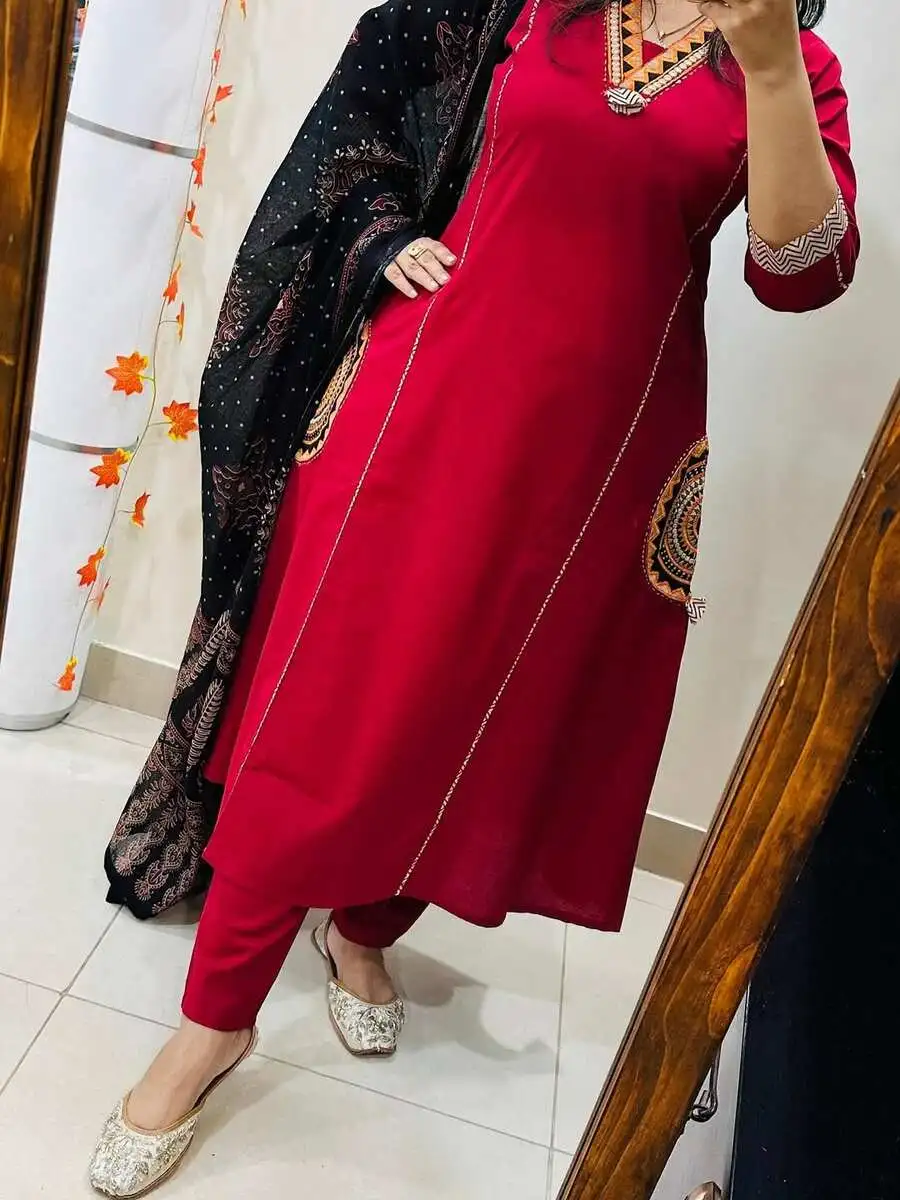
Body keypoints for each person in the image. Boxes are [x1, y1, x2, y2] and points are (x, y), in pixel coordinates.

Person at [91, 0, 859, 1193]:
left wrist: (767, 67)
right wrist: (379, 231)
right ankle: (215, 1022)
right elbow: (371, 102)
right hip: (420, 398)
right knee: (318, 715)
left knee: (480, 727)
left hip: (600, 459)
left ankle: (361, 932)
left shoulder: (800, 68)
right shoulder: (533, 5)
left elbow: (801, 277)